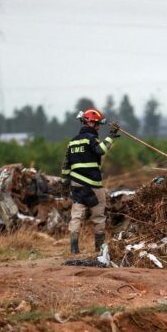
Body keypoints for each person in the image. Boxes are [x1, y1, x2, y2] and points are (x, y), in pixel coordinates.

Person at [61, 108, 120, 253]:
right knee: (99, 216)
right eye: (97, 124)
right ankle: (99, 249)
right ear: (91, 123)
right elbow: (100, 150)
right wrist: (111, 136)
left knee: (76, 216)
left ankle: (74, 249)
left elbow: (65, 165)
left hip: (76, 186)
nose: (99, 127)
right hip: (93, 186)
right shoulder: (91, 139)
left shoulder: (72, 142)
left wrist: (64, 185)